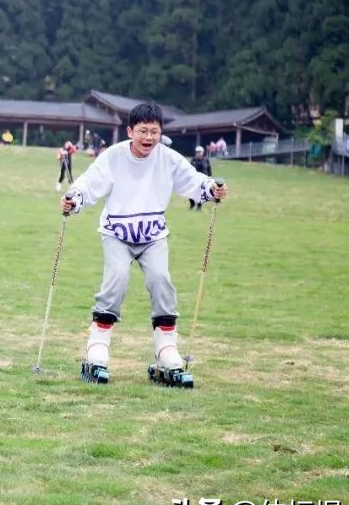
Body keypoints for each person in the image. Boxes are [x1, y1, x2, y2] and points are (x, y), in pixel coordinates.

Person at [60, 103, 228, 387]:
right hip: (116, 232)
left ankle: (166, 350)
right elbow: (90, 183)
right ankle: (97, 347)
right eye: (142, 131)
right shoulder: (113, 156)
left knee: (161, 280)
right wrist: (73, 198)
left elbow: (192, 180)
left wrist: (211, 188)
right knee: (117, 278)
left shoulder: (168, 158)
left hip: (153, 235)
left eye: (154, 132)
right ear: (130, 132)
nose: (148, 138)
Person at [189, 146, 212, 210]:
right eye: (197, 152)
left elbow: (209, 170)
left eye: (200, 152)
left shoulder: (206, 160)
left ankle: (199, 207)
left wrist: (209, 178)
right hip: (195, 179)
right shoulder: (193, 160)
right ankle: (192, 204)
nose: (198, 153)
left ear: (202, 152)